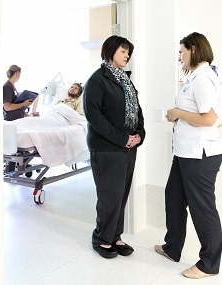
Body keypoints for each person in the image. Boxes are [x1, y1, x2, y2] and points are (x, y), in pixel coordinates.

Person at [155, 32, 222, 279]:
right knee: (173, 197)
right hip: (185, 152)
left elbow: (209, 118)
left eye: (181, 52)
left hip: (200, 154)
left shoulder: (204, 77)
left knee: (202, 208)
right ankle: (172, 247)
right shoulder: (194, 77)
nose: (179, 57)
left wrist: (177, 113)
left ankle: (209, 264)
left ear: (193, 49)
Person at [83, 35, 145, 259]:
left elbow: (137, 111)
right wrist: (122, 138)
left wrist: (139, 134)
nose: (127, 55)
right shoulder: (97, 80)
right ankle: (101, 238)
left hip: (128, 148)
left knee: (121, 195)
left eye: (129, 52)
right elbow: (94, 117)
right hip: (107, 148)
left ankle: (114, 236)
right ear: (109, 51)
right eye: (123, 51)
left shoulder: (126, 81)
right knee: (109, 195)